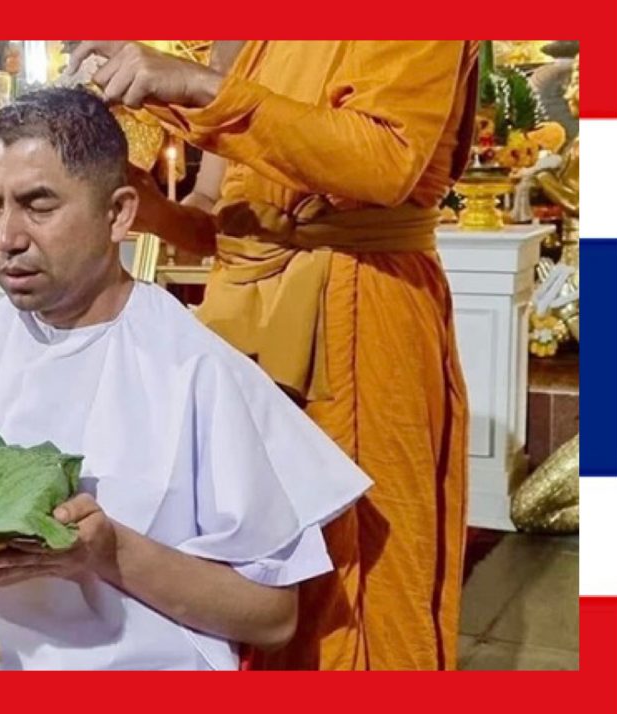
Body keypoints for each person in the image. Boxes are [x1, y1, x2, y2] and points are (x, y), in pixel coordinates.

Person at [0, 87, 369, 670]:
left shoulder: (197, 373)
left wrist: (107, 552)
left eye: (39, 205)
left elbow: (273, 617)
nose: (7, 237)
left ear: (118, 213)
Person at [68, 40, 477, 670]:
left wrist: (200, 86)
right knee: (245, 545)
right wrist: (148, 208)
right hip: (243, 321)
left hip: (357, 310)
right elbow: (216, 218)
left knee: (360, 568)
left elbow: (386, 161)